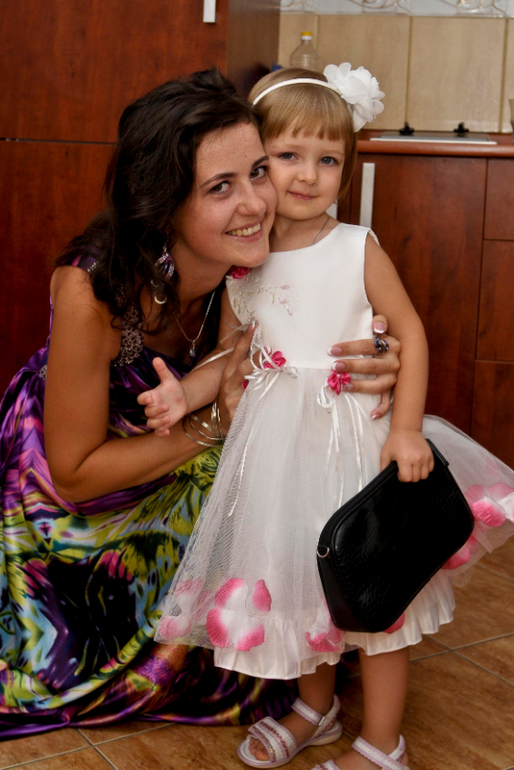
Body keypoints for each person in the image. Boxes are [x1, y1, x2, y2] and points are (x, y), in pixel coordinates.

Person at [0, 69, 400, 738]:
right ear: (163, 207)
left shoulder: (267, 257)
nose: (257, 203)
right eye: (220, 187)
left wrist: (374, 354)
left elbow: (329, 328)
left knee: (304, 559)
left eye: (259, 171)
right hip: (75, 487)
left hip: (192, 459)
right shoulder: (92, 289)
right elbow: (73, 471)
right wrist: (216, 423)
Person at [153, 65, 514, 769]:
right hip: (276, 457)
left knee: (374, 596)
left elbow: (410, 334)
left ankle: (383, 743)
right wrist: (182, 397)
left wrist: (405, 429)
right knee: (300, 588)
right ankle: (314, 709)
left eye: (329, 160)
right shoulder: (244, 261)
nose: (309, 175)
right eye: (288, 156)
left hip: (351, 446)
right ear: (258, 165)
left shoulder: (356, 247)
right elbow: (230, 355)